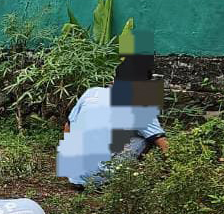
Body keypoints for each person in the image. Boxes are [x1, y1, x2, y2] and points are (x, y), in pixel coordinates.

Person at [58, 45, 167, 188]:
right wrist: (177, 170)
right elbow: (162, 143)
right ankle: (115, 181)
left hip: (74, 176)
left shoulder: (92, 92)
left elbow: (68, 126)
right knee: (146, 138)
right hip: (99, 180)